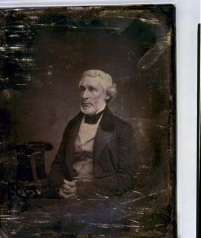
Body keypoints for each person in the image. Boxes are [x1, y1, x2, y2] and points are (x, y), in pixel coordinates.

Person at [48, 69, 137, 199]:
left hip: (101, 200)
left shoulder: (122, 129)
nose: (84, 95)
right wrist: (59, 189)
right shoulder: (72, 125)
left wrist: (82, 190)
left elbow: (127, 178)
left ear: (107, 95)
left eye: (92, 89)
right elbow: (57, 165)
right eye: (82, 89)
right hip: (67, 198)